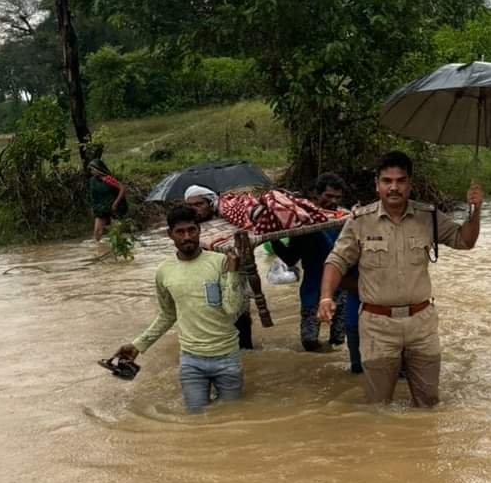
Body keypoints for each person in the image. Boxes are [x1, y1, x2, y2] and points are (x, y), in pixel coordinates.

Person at [318, 151, 483, 407]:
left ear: (410, 184)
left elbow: (466, 240)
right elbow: (336, 261)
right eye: (387, 181)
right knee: (378, 406)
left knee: (429, 403)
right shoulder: (360, 221)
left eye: (400, 180)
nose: (393, 187)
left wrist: (476, 208)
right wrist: (326, 297)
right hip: (377, 326)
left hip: (422, 324)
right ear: (377, 184)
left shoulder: (429, 217)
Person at [113, 203, 247, 413]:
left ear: (199, 230)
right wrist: (138, 345)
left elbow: (232, 309)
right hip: (191, 361)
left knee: (232, 417)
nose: (186, 237)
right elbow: (167, 315)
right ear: (170, 235)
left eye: (191, 230)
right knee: (195, 417)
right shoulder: (164, 272)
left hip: (227, 358)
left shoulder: (221, 262)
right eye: (180, 232)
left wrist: (233, 272)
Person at [271, 173, 361, 371]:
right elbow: (290, 258)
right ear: (316, 195)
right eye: (328, 196)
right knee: (309, 342)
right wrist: (272, 236)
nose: (333, 201)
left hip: (341, 289)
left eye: (337, 197)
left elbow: (337, 256)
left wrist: (315, 229)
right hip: (312, 290)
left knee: (339, 341)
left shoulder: (345, 220)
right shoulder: (302, 222)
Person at [183, 184, 255, 351]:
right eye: (190, 206)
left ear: (211, 204)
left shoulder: (231, 221)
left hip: (234, 277)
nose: (194, 209)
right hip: (206, 282)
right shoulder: (189, 231)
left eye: (199, 204)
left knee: (241, 317)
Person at [88, 159, 127, 242]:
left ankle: (117, 249)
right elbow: (93, 196)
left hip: (112, 207)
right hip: (100, 208)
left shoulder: (108, 179)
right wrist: (93, 207)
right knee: (97, 232)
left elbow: (122, 188)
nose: (91, 172)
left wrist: (116, 203)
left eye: (92, 169)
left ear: (98, 169)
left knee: (115, 233)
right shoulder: (92, 181)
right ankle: (98, 249)